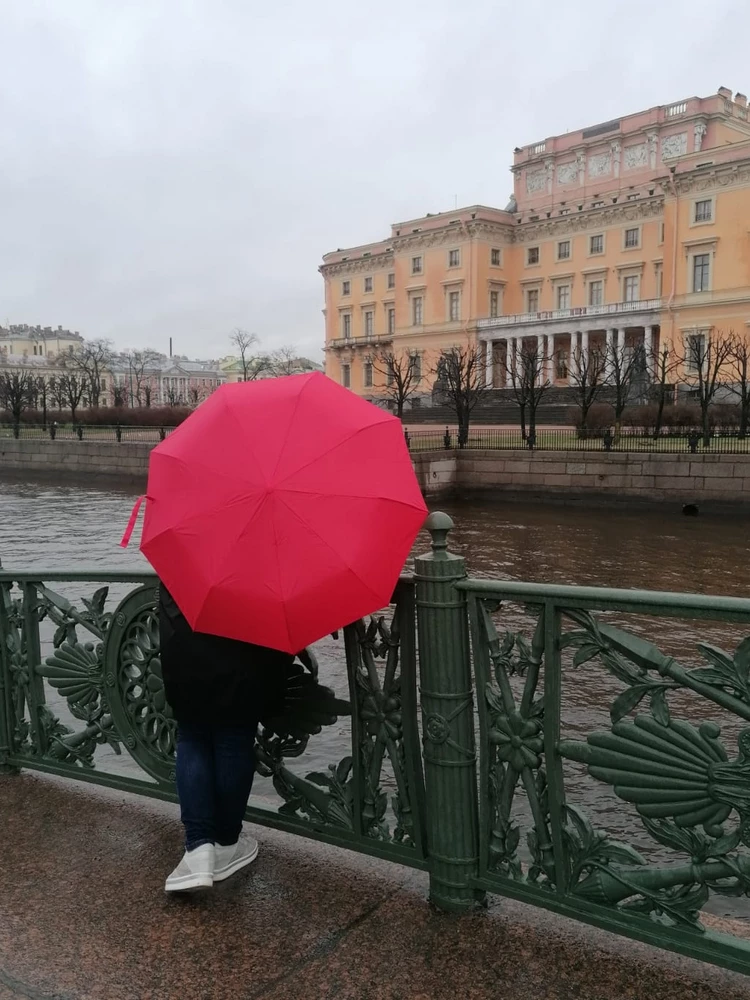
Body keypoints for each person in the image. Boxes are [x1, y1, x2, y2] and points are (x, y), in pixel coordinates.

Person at [159, 583, 294, 893]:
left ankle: (198, 849)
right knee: (234, 735)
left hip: (184, 630)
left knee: (191, 733)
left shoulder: (184, 539)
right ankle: (226, 844)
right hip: (242, 632)